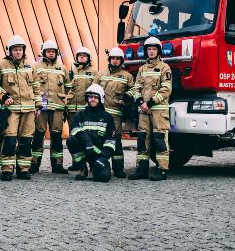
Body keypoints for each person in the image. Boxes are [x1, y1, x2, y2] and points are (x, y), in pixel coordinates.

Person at [0, 35, 41, 181]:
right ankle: (7, 170)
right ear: (9, 51)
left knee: (26, 140)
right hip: (11, 110)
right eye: (15, 50)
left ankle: (23, 170)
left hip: (29, 110)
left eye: (20, 49)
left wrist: (38, 106)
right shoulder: (0, 65)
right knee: (10, 139)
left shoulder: (30, 66)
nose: (18, 52)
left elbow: (36, 86)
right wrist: (4, 97)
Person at [127, 36, 172, 181]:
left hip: (159, 110)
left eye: (154, 49)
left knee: (160, 139)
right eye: (149, 49)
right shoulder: (142, 69)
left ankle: (162, 169)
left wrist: (150, 103)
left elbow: (166, 89)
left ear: (158, 51)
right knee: (142, 139)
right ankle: (142, 169)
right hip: (144, 110)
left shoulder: (165, 67)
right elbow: (136, 88)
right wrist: (140, 101)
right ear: (146, 51)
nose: (151, 51)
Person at [30, 40, 69, 174]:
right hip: (41, 107)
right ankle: (34, 164)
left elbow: (68, 87)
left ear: (56, 53)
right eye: (48, 51)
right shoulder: (35, 67)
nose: (51, 53)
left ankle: (57, 165)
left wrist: (64, 103)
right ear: (43, 52)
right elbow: (31, 85)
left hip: (57, 107)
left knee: (56, 135)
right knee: (38, 134)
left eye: (53, 51)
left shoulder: (62, 68)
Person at [95, 47, 135, 178]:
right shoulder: (100, 74)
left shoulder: (127, 76)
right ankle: (98, 166)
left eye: (118, 59)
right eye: (113, 58)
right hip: (100, 114)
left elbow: (134, 90)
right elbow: (93, 90)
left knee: (116, 141)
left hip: (115, 114)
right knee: (99, 140)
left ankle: (118, 169)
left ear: (121, 60)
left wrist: (126, 97)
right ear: (109, 59)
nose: (115, 61)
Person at [66, 84, 116, 182]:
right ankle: (82, 167)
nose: (92, 99)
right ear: (87, 98)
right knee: (71, 140)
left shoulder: (107, 117)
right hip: (84, 148)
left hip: (98, 153)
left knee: (104, 177)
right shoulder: (80, 115)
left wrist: (103, 159)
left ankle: (94, 167)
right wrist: (87, 141)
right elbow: (74, 129)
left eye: (95, 97)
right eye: (90, 97)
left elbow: (111, 141)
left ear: (101, 98)